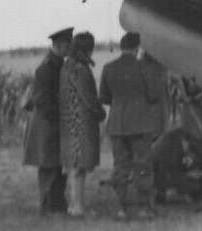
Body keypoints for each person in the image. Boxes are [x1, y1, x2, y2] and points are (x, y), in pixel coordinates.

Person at [98, 32, 167, 219]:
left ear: (122, 47)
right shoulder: (145, 68)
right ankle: (144, 207)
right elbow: (155, 96)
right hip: (140, 123)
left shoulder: (108, 68)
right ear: (138, 48)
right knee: (142, 165)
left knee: (120, 166)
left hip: (117, 123)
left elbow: (104, 97)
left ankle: (122, 208)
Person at [22, 27, 72, 214]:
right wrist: (61, 117)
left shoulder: (56, 64)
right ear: (59, 45)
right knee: (49, 165)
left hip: (53, 122)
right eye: (67, 45)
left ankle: (56, 203)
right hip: (47, 124)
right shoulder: (46, 68)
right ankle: (48, 205)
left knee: (57, 164)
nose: (69, 49)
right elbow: (42, 100)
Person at [58, 31, 104, 218]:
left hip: (69, 122)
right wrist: (100, 113)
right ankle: (78, 207)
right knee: (79, 166)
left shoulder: (67, 66)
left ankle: (75, 205)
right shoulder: (80, 69)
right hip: (80, 123)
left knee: (74, 166)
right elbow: (88, 97)